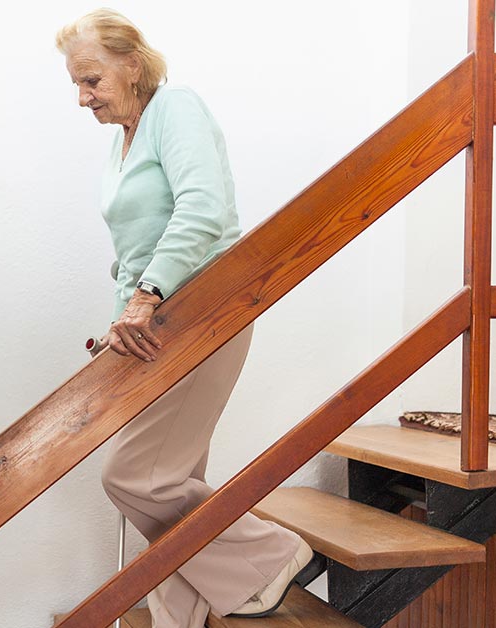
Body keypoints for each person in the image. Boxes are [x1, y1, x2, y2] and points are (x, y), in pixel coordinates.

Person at [56, 9, 315, 628]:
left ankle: (273, 554)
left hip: (203, 311)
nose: (82, 97)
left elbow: (203, 209)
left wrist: (146, 297)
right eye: (76, 84)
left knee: (136, 476)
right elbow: (132, 252)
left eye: (91, 80)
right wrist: (121, 320)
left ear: (133, 65)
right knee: (174, 477)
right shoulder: (122, 145)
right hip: (157, 324)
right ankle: (181, 616)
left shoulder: (176, 109)